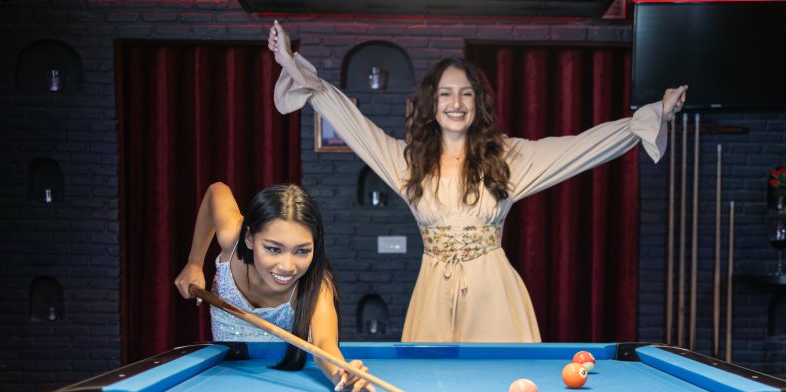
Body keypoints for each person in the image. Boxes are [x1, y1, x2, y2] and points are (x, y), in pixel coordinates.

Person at [268, 20, 687, 343]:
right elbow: (353, 124)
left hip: (495, 297)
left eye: (466, 93)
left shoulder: (508, 158)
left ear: (477, 103)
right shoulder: (407, 162)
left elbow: (578, 149)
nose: (456, 103)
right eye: (447, 94)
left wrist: (648, 119)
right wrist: (294, 68)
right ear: (432, 104)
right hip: (433, 295)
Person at [174, 182, 379, 392]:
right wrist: (194, 263)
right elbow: (216, 190)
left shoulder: (317, 286)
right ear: (250, 238)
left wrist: (341, 373)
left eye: (301, 251)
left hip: (286, 378)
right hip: (227, 376)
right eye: (273, 249)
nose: (287, 266)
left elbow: (324, 344)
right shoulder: (231, 238)